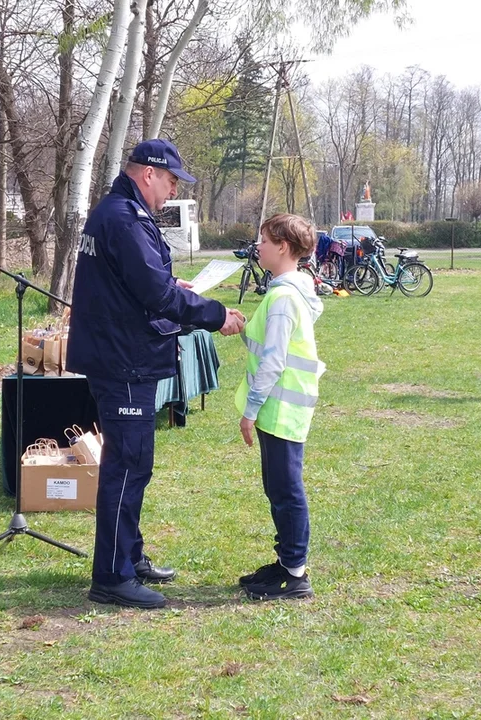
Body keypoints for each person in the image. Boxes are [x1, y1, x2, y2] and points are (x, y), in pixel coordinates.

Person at [66, 139, 244, 609]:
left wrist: (171, 286)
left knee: (133, 465)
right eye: (169, 181)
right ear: (148, 174)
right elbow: (155, 296)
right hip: (123, 358)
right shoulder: (123, 218)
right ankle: (112, 576)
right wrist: (214, 313)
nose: (171, 191)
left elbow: (141, 284)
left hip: (122, 352)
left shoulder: (120, 211)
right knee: (127, 466)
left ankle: (129, 556)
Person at [235, 213, 325, 601]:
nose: (259, 246)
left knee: (286, 490)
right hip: (280, 408)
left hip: (280, 408)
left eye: (264, 241)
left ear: (283, 247)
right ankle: (286, 563)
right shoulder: (284, 291)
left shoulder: (285, 297)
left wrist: (250, 411)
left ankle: (296, 573)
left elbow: (273, 361)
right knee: (277, 488)